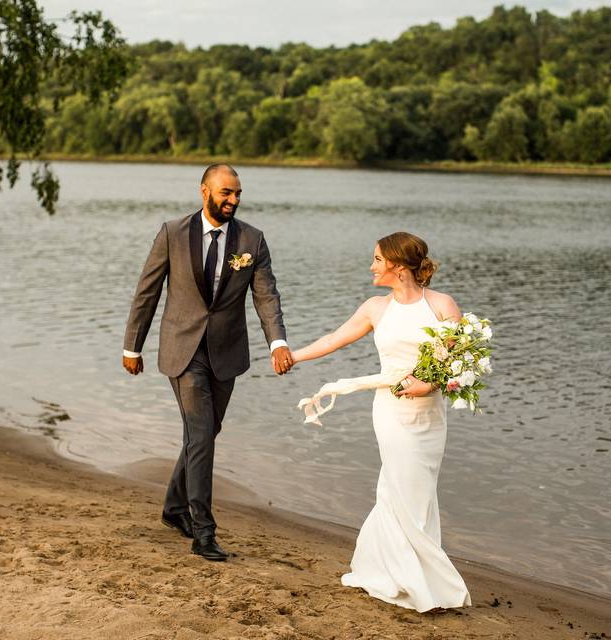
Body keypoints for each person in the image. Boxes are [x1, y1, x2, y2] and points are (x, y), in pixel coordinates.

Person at [291, 232, 471, 612]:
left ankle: (393, 569)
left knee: (414, 493)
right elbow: (335, 338)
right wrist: (293, 356)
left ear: (397, 265)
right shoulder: (376, 307)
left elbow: (461, 362)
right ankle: (414, 581)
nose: (371, 266)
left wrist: (431, 382)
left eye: (377, 259)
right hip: (390, 411)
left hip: (430, 416)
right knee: (400, 487)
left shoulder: (441, 305)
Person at [122, 164, 293, 562]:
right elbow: (146, 292)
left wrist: (278, 342)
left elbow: (266, 296)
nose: (232, 200)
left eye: (237, 194)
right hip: (182, 351)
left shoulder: (252, 238)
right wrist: (133, 346)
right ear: (204, 192)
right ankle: (203, 530)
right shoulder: (172, 233)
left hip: (226, 353)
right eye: (225, 193)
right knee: (200, 434)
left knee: (205, 434)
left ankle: (173, 508)